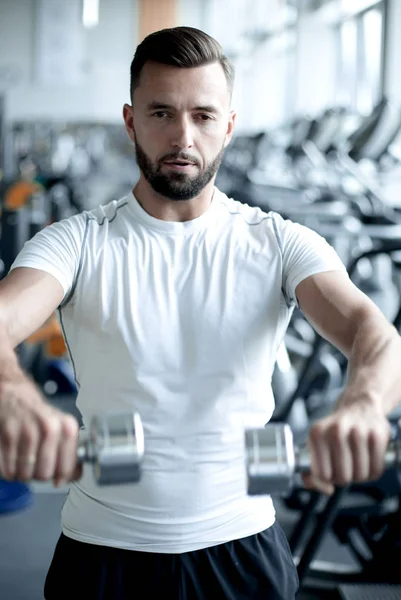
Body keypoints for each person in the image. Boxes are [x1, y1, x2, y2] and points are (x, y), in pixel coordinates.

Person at [0, 26, 399, 600]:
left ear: (228, 126)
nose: (183, 136)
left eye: (204, 116)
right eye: (161, 113)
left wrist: (362, 406)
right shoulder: (78, 243)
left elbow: (374, 333)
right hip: (104, 553)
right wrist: (14, 393)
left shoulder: (280, 244)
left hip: (243, 552)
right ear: (131, 120)